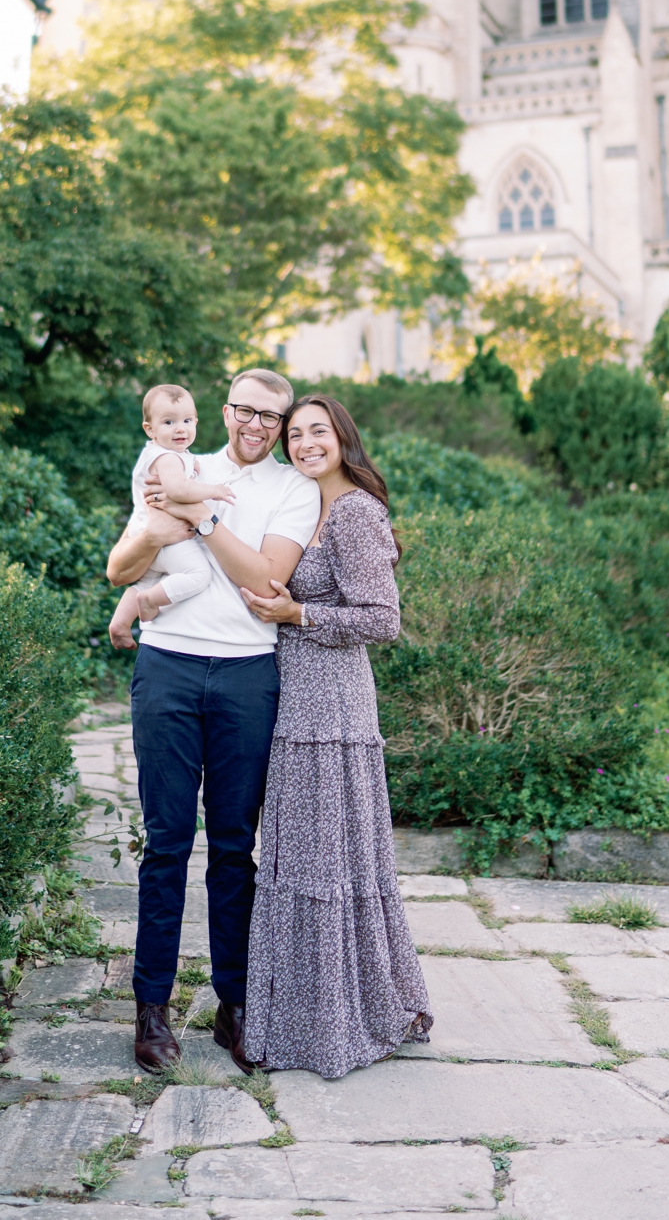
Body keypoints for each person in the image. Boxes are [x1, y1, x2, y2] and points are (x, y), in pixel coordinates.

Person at [106, 368, 321, 1073]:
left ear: (283, 423)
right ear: (225, 410)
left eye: (274, 416)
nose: (259, 425)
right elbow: (121, 563)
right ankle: (151, 1008)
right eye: (248, 410)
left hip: (247, 675)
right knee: (165, 842)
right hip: (167, 666)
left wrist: (198, 518)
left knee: (234, 845)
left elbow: (266, 581)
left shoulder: (294, 488)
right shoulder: (179, 460)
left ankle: (235, 1003)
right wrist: (149, 550)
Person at [238, 393, 433, 1080]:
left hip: (335, 713)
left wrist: (298, 612)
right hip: (296, 705)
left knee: (329, 864)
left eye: (317, 430)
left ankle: (339, 1021)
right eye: (295, 433)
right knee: (299, 860)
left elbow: (382, 618)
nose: (304, 443)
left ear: (343, 437)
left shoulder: (354, 512)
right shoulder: (305, 506)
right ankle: (295, 1015)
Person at [108, 384, 237, 648]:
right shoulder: (166, 458)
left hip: (145, 534)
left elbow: (181, 475)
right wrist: (214, 490)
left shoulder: (170, 455)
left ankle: (120, 623)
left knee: (147, 580)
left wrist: (191, 466)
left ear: (196, 422)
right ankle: (150, 601)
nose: (180, 428)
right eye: (169, 422)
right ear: (150, 429)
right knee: (198, 574)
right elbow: (178, 489)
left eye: (187, 421)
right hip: (167, 539)